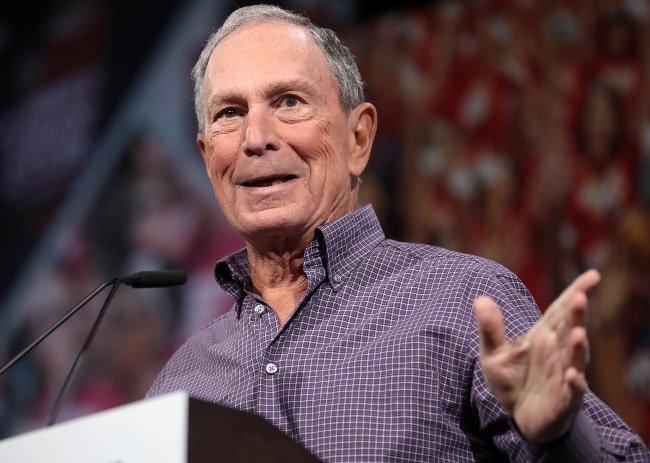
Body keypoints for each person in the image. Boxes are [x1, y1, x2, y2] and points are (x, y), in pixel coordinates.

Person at [146, 4, 650, 461]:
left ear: (359, 139)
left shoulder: (464, 303)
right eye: (230, 114)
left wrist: (559, 438)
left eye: (289, 102)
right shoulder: (180, 384)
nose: (256, 139)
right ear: (209, 157)